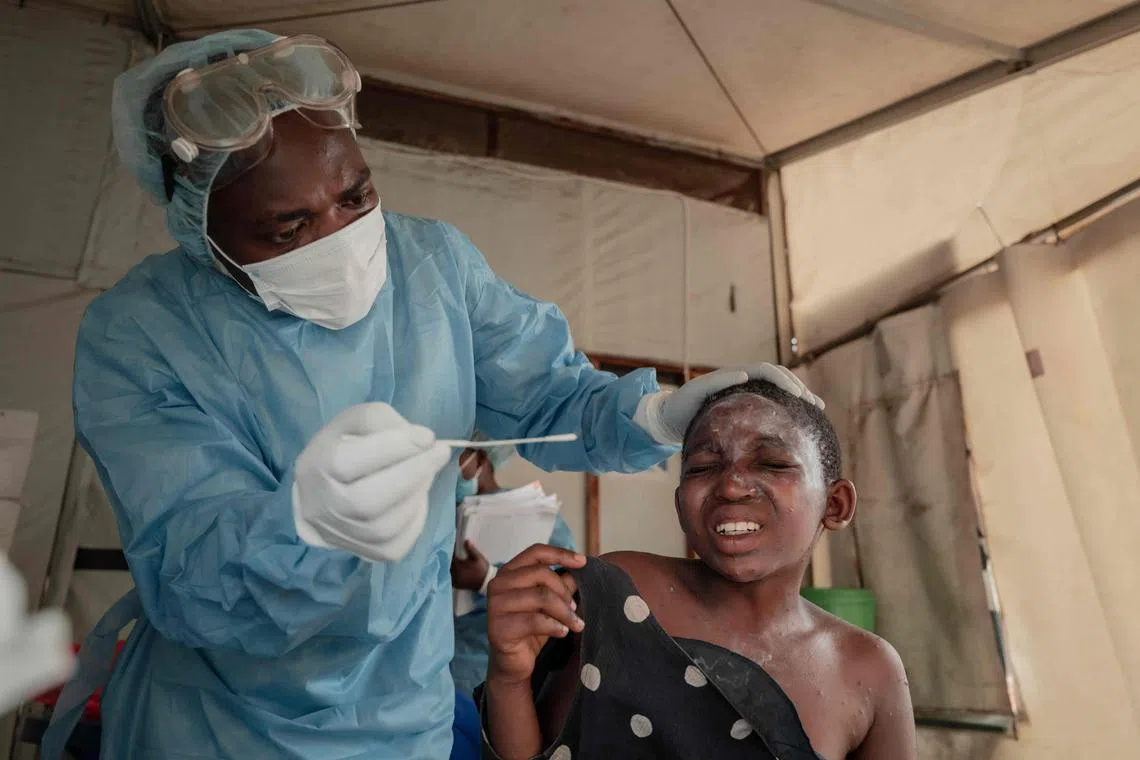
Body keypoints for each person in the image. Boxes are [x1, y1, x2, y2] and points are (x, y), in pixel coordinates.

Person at [40, 29, 820, 760]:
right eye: (286, 230)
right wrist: (305, 527)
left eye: (355, 196)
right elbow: (192, 573)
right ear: (202, 232)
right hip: (220, 723)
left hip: (404, 714)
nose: (338, 239)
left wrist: (652, 413)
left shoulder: (431, 268)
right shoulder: (142, 335)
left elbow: (550, 395)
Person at [482, 379, 916, 759]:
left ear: (835, 505)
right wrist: (508, 678)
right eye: (704, 468)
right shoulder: (618, 595)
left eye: (772, 463)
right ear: (680, 504)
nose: (730, 484)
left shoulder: (868, 668)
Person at [448, 434, 578, 760]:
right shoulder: (437, 521)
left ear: (480, 458)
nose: (445, 471)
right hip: (441, 681)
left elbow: (564, 599)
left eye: (455, 458)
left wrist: (486, 580)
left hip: (500, 680)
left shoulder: (535, 518)